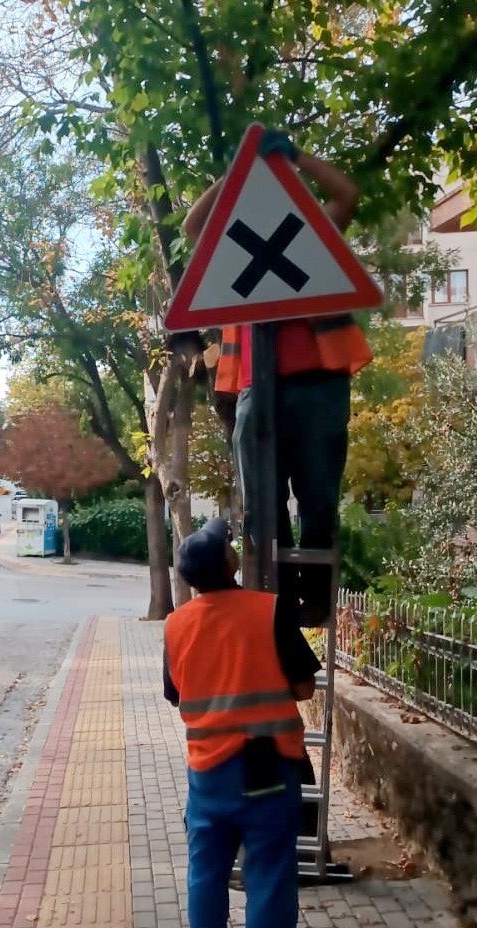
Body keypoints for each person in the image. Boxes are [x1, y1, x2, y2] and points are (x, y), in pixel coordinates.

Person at [183, 130, 372, 625]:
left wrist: (297, 157)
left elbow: (347, 195)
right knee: (262, 508)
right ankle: (277, 598)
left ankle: (316, 597)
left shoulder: (311, 236)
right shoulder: (234, 250)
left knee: (318, 501)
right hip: (256, 389)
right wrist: (236, 171)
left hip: (319, 384)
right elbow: (191, 225)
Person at [163, 517, 321, 928]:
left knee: (205, 875)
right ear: (231, 564)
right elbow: (304, 688)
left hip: (207, 774)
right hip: (266, 768)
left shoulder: (175, 624)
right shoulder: (267, 611)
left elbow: (176, 694)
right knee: (269, 874)